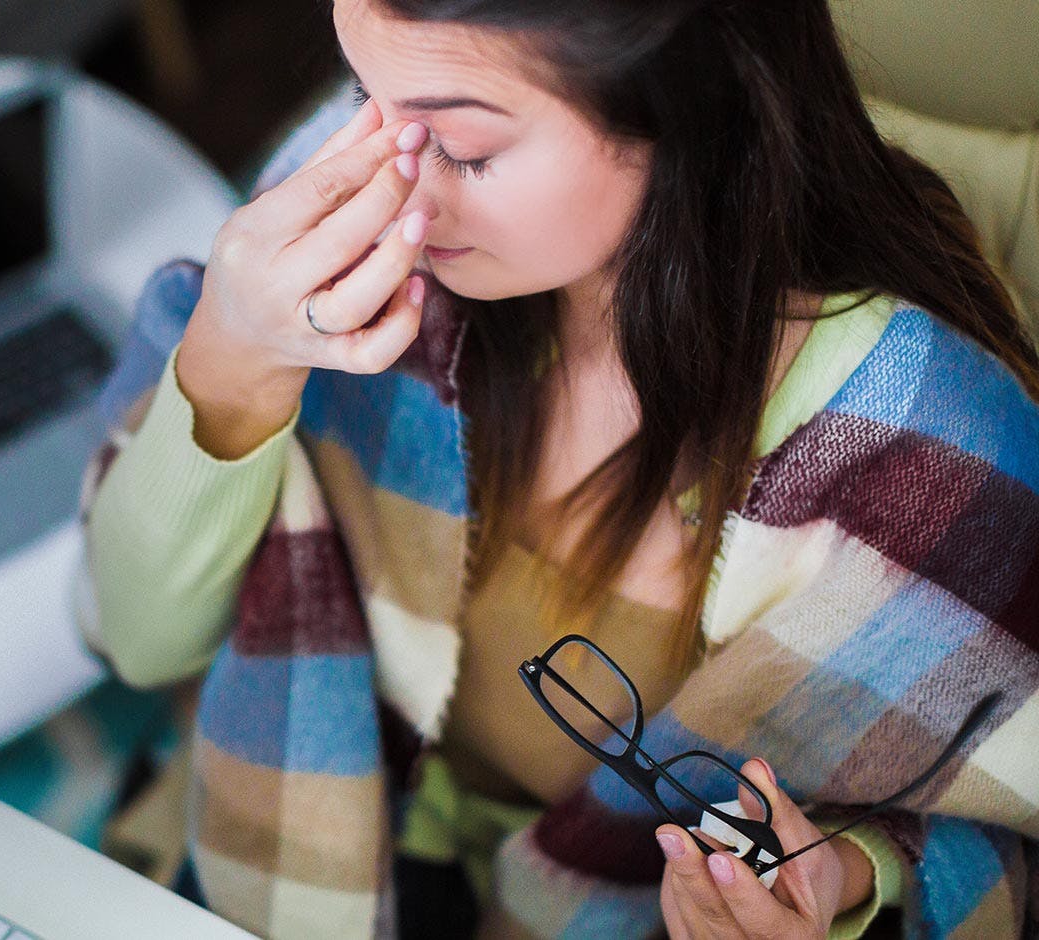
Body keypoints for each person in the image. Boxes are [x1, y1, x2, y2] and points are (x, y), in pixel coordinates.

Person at [77, 0, 1039, 937]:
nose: (391, 182)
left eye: (463, 149)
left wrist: (846, 885)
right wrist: (231, 359)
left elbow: (993, 828)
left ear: (686, 105)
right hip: (289, 848)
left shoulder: (917, 454)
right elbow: (134, 640)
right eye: (365, 94)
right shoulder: (334, 217)